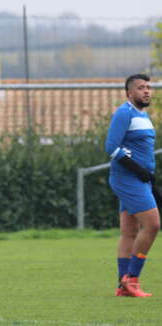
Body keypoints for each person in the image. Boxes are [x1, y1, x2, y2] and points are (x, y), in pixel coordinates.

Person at [105, 73, 160, 297]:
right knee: (153, 225)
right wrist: (138, 170)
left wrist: (148, 175)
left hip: (140, 180)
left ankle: (123, 286)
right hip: (128, 179)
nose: (146, 91)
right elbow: (111, 147)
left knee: (130, 232)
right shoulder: (124, 113)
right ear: (129, 93)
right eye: (140, 87)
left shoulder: (144, 116)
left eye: (148, 87)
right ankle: (132, 279)